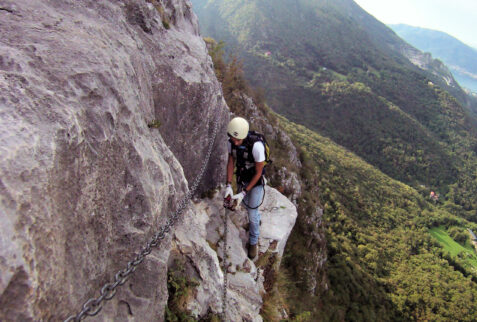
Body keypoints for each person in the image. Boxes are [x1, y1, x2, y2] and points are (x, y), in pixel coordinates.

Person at [224, 117, 266, 259]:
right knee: (242, 206)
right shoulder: (231, 142)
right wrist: (228, 185)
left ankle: (253, 242)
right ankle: (254, 223)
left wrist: (244, 192)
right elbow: (231, 161)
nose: (235, 142)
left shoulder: (256, 146)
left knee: (253, 214)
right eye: (233, 139)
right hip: (242, 177)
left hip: (255, 181)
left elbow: (259, 172)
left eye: (238, 140)